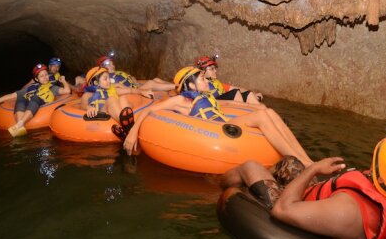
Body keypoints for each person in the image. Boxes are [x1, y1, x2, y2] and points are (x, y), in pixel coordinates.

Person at [220, 121, 386, 239]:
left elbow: (282, 209)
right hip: (321, 202)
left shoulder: (346, 213)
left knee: (250, 166)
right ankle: (256, 186)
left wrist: (313, 169)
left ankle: (214, 187)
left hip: (292, 207)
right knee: (290, 162)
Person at [121, 66, 313, 166]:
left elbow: (226, 103)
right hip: (214, 131)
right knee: (263, 118)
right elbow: (149, 110)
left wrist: (256, 105)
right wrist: (132, 133)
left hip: (225, 122)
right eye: (202, 78)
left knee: (267, 112)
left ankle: (305, 159)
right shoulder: (181, 100)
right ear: (191, 84)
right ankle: (299, 161)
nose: (206, 80)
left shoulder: (206, 96)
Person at [0, 63, 71, 136]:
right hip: (29, 105)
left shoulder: (52, 87)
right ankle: (20, 126)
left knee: (35, 98)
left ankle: (20, 124)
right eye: (42, 76)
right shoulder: (31, 88)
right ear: (37, 79)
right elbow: (12, 95)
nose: (45, 77)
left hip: (40, 104)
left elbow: (67, 91)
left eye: (46, 75)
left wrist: (63, 81)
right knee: (21, 98)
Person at [83, 66, 135, 140]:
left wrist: (129, 105)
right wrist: (89, 107)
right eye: (105, 79)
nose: (109, 81)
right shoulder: (88, 95)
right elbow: (83, 106)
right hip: (101, 113)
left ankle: (125, 129)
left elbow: (130, 93)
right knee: (112, 99)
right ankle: (129, 127)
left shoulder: (111, 91)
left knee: (122, 98)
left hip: (113, 112)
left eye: (109, 78)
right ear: (96, 82)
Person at [195, 55, 263, 105]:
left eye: (215, 68)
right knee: (235, 92)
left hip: (225, 103)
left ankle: (260, 114)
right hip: (217, 106)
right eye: (212, 69)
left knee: (249, 94)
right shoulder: (200, 84)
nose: (215, 71)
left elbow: (235, 88)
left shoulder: (216, 83)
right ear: (202, 72)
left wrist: (254, 94)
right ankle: (243, 115)